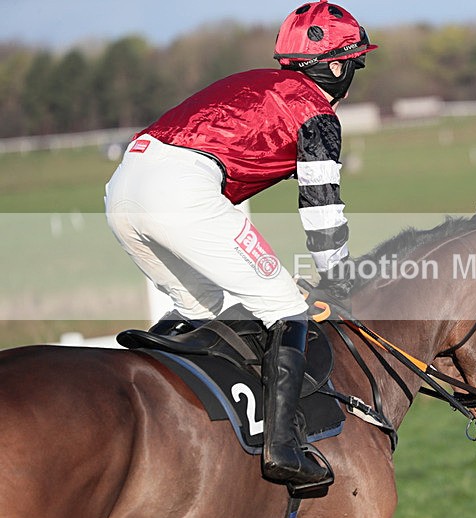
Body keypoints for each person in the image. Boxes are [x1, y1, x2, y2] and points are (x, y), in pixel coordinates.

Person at [105, 0, 376, 488]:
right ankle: (284, 448)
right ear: (337, 65)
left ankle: (182, 429)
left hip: (124, 184)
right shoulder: (316, 111)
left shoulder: (255, 80)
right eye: (354, 64)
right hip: (181, 190)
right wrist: (339, 276)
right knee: (287, 309)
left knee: (203, 308)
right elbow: (321, 206)